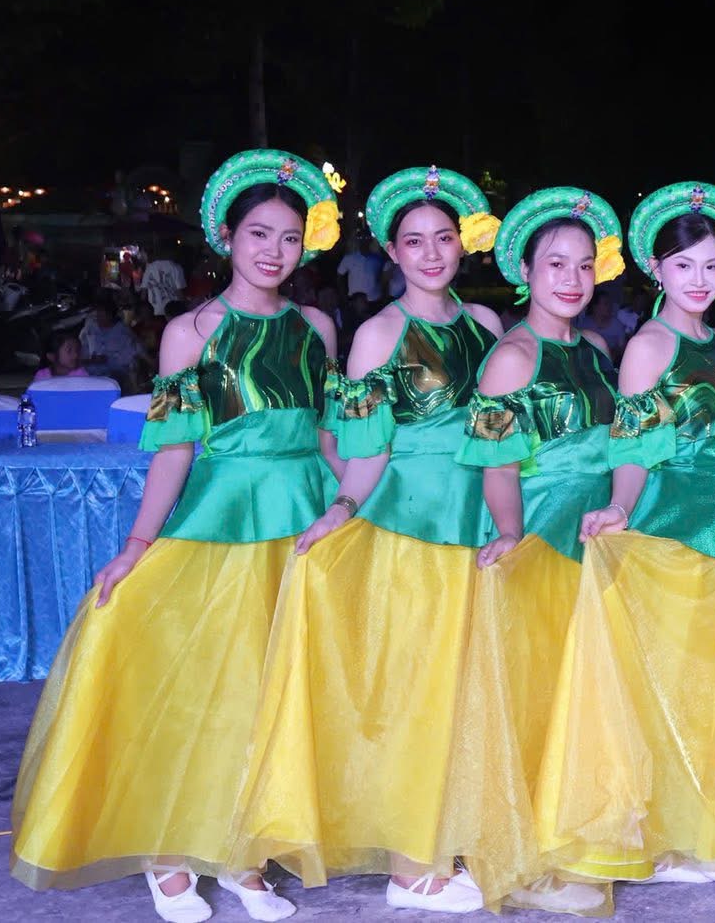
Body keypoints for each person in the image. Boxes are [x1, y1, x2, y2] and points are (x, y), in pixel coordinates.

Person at [11, 149, 342, 922]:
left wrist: (353, 505)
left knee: (279, 694)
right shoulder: (189, 334)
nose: (274, 251)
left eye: (289, 238)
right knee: (202, 693)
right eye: (258, 234)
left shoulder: (318, 328)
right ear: (226, 236)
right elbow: (174, 449)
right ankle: (169, 852)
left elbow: (329, 437)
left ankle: (244, 854)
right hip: (221, 521)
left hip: (303, 516)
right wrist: (137, 545)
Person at [225, 167, 504, 913]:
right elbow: (367, 447)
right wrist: (343, 506)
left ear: (463, 244)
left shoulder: (486, 324)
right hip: (410, 528)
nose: (431, 253)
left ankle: (449, 837)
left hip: (480, 521)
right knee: (415, 692)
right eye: (414, 241)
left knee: (469, 689)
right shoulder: (378, 335)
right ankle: (410, 868)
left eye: (443, 238)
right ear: (391, 250)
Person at [551, 182, 715, 901]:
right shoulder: (650, 345)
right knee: (678, 689)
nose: (699, 279)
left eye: (712, 266)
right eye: (685, 265)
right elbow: (633, 446)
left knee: (714, 691)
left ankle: (689, 837)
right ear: (656, 268)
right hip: (669, 527)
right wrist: (619, 506)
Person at [452, 188, 634, 914]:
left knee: (582, 692)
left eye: (585, 265)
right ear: (524, 270)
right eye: (555, 264)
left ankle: (578, 832)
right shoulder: (511, 358)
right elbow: (497, 466)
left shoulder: (596, 350)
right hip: (540, 534)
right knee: (535, 694)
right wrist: (509, 533)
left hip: (594, 537)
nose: (572, 278)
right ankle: (531, 856)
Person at [337, 236, 385, 303]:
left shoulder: (378, 258)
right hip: (354, 300)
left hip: (374, 299)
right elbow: (339, 277)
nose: (363, 240)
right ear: (357, 240)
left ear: (370, 240)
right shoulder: (349, 258)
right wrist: (343, 297)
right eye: (360, 238)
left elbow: (384, 277)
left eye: (366, 238)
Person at [140, 248, 186, 315]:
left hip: (155, 310)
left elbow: (143, 292)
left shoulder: (149, 268)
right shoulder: (176, 267)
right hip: (173, 311)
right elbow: (179, 292)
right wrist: (185, 307)